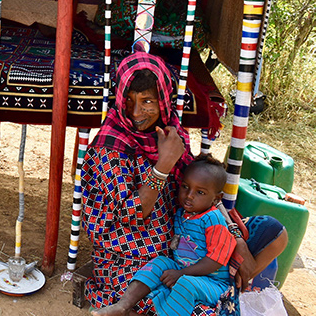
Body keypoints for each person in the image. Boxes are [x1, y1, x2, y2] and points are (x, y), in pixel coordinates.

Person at [81, 51, 288, 316]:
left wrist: (235, 240)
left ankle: (226, 285)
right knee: (175, 297)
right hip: (132, 255)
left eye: (147, 101)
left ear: (164, 100)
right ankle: (215, 292)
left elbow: (205, 192)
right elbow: (132, 214)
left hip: (190, 237)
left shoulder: (172, 133)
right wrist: (162, 166)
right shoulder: (111, 148)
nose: (135, 112)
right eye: (129, 100)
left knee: (273, 232)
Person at [92, 155, 235, 316]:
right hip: (184, 270)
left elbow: (215, 261)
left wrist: (181, 274)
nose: (189, 195)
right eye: (185, 187)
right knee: (160, 262)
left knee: (186, 284)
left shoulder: (213, 219)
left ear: (216, 198)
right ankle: (123, 305)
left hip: (213, 282)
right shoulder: (182, 213)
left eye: (200, 192)